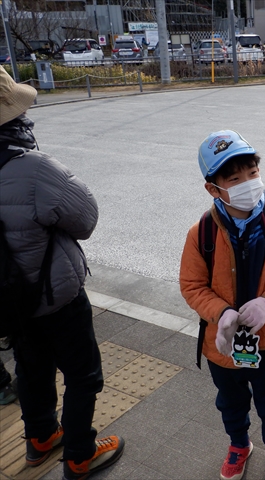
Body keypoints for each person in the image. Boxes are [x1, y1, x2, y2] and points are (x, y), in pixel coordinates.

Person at [0, 66, 124, 479]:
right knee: (82, 373)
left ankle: (39, 438)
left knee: (30, 368)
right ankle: (79, 453)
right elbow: (85, 219)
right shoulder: (32, 169)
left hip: (8, 304)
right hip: (55, 297)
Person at [180, 130, 265, 480]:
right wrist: (220, 314)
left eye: (252, 173)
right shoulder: (201, 233)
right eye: (234, 178)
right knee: (231, 402)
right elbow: (192, 285)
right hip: (220, 344)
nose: (247, 183)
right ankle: (239, 444)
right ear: (213, 188)